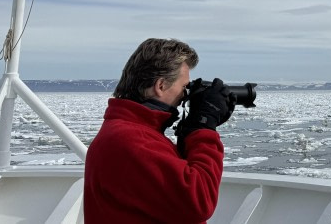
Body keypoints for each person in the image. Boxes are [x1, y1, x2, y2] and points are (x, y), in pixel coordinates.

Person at [84, 38, 235, 223]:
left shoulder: (133, 132)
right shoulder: (131, 140)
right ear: (161, 86)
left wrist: (189, 133)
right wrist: (203, 128)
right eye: (184, 87)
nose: (184, 96)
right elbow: (199, 201)